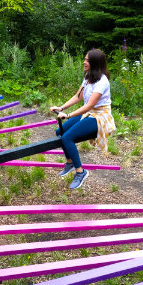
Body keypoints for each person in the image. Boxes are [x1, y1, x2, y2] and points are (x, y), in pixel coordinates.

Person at [49, 48, 116, 189]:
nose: (84, 62)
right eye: (85, 59)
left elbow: (89, 105)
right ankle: (70, 163)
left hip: (99, 117)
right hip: (89, 113)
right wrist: (61, 108)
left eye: (87, 60)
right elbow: (78, 97)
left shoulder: (102, 82)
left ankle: (81, 172)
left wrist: (67, 115)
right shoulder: (88, 78)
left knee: (67, 138)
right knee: (59, 132)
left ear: (95, 63)